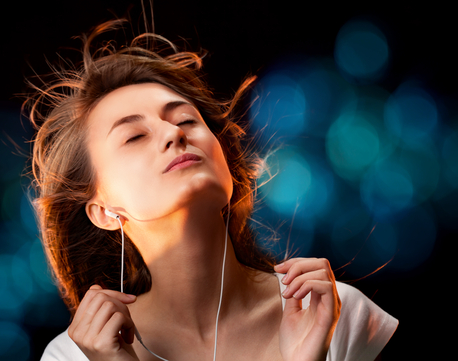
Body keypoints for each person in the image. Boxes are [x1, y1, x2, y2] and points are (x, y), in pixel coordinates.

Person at [27, 19, 398, 361]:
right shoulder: (74, 355)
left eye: (187, 119)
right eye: (135, 136)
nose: (175, 133)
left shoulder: (334, 313)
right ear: (103, 211)